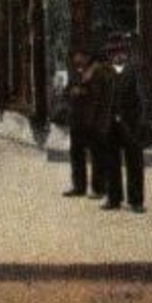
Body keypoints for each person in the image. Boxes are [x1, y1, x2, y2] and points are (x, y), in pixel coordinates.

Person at [99, 33, 146, 214]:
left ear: (127, 52)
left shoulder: (135, 71)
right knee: (111, 161)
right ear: (109, 55)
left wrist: (140, 122)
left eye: (121, 52)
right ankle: (113, 197)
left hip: (131, 124)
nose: (118, 56)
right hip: (110, 124)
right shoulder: (105, 72)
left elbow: (143, 99)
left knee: (134, 162)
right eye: (114, 53)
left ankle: (136, 200)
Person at [62, 48, 106, 198]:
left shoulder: (97, 71)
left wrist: (81, 92)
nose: (76, 59)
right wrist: (70, 92)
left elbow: (99, 94)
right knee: (76, 153)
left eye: (79, 55)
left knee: (97, 154)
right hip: (77, 120)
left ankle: (99, 189)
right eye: (75, 56)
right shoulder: (76, 73)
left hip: (92, 119)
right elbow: (66, 92)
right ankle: (78, 187)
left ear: (87, 56)